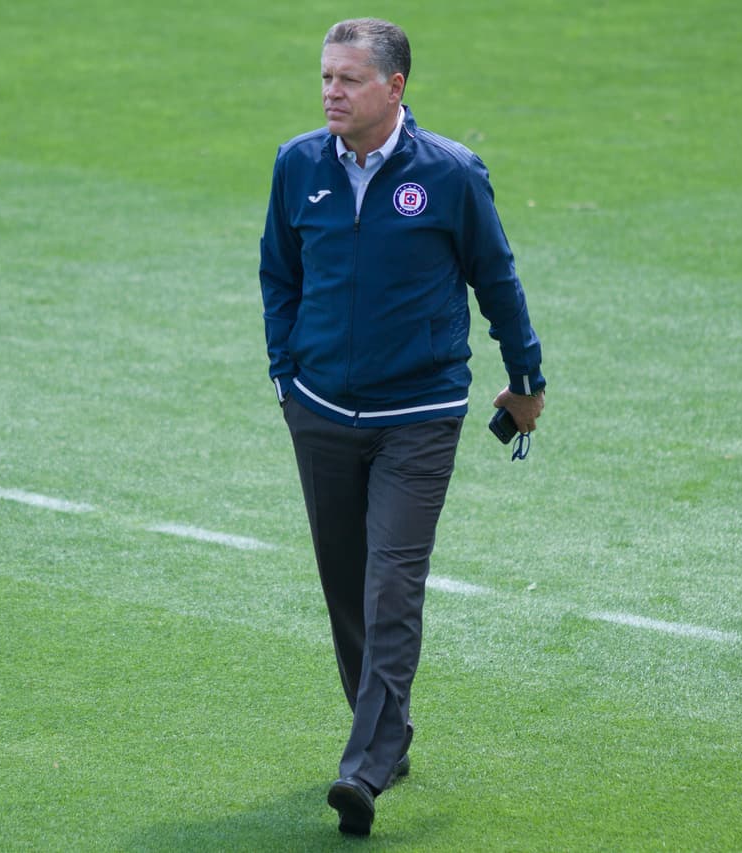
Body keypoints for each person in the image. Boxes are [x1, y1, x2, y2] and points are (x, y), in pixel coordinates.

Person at [258, 17, 546, 836]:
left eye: (348, 79)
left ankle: (365, 765)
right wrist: (287, 374)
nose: (330, 93)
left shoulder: (450, 175)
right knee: (345, 583)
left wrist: (527, 378)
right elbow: (279, 272)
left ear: (395, 87)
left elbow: (498, 279)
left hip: (418, 417)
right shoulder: (297, 165)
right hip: (318, 412)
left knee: (392, 584)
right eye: (324, 77)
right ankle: (388, 730)